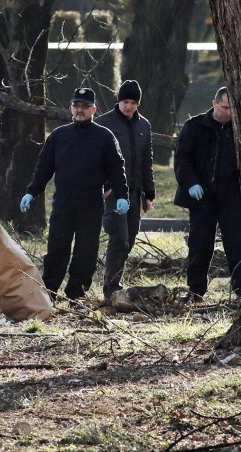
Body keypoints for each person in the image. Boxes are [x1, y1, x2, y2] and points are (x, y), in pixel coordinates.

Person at [20, 87, 129, 303]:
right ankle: (48, 292)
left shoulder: (104, 137)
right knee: (56, 249)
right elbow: (44, 168)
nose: (80, 110)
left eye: (85, 106)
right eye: (76, 106)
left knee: (86, 251)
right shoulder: (59, 136)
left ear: (93, 110)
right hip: (63, 202)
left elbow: (117, 168)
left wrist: (122, 195)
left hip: (91, 203)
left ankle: (76, 293)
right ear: (70, 108)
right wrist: (31, 192)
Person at [173, 86, 241, 300]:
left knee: (237, 243)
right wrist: (191, 183)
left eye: (233, 108)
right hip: (202, 196)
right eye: (224, 107)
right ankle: (196, 290)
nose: (229, 112)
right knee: (200, 244)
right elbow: (182, 159)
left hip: (231, 196)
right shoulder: (194, 127)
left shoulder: (240, 128)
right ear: (214, 104)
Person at [95, 80, 155, 302]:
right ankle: (111, 289)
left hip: (135, 192)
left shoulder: (144, 126)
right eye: (125, 101)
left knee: (129, 239)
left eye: (133, 102)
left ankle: (115, 281)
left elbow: (146, 162)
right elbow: (95, 159)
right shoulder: (103, 124)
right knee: (118, 238)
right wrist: (104, 186)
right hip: (112, 193)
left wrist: (149, 194)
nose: (128, 106)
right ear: (119, 101)